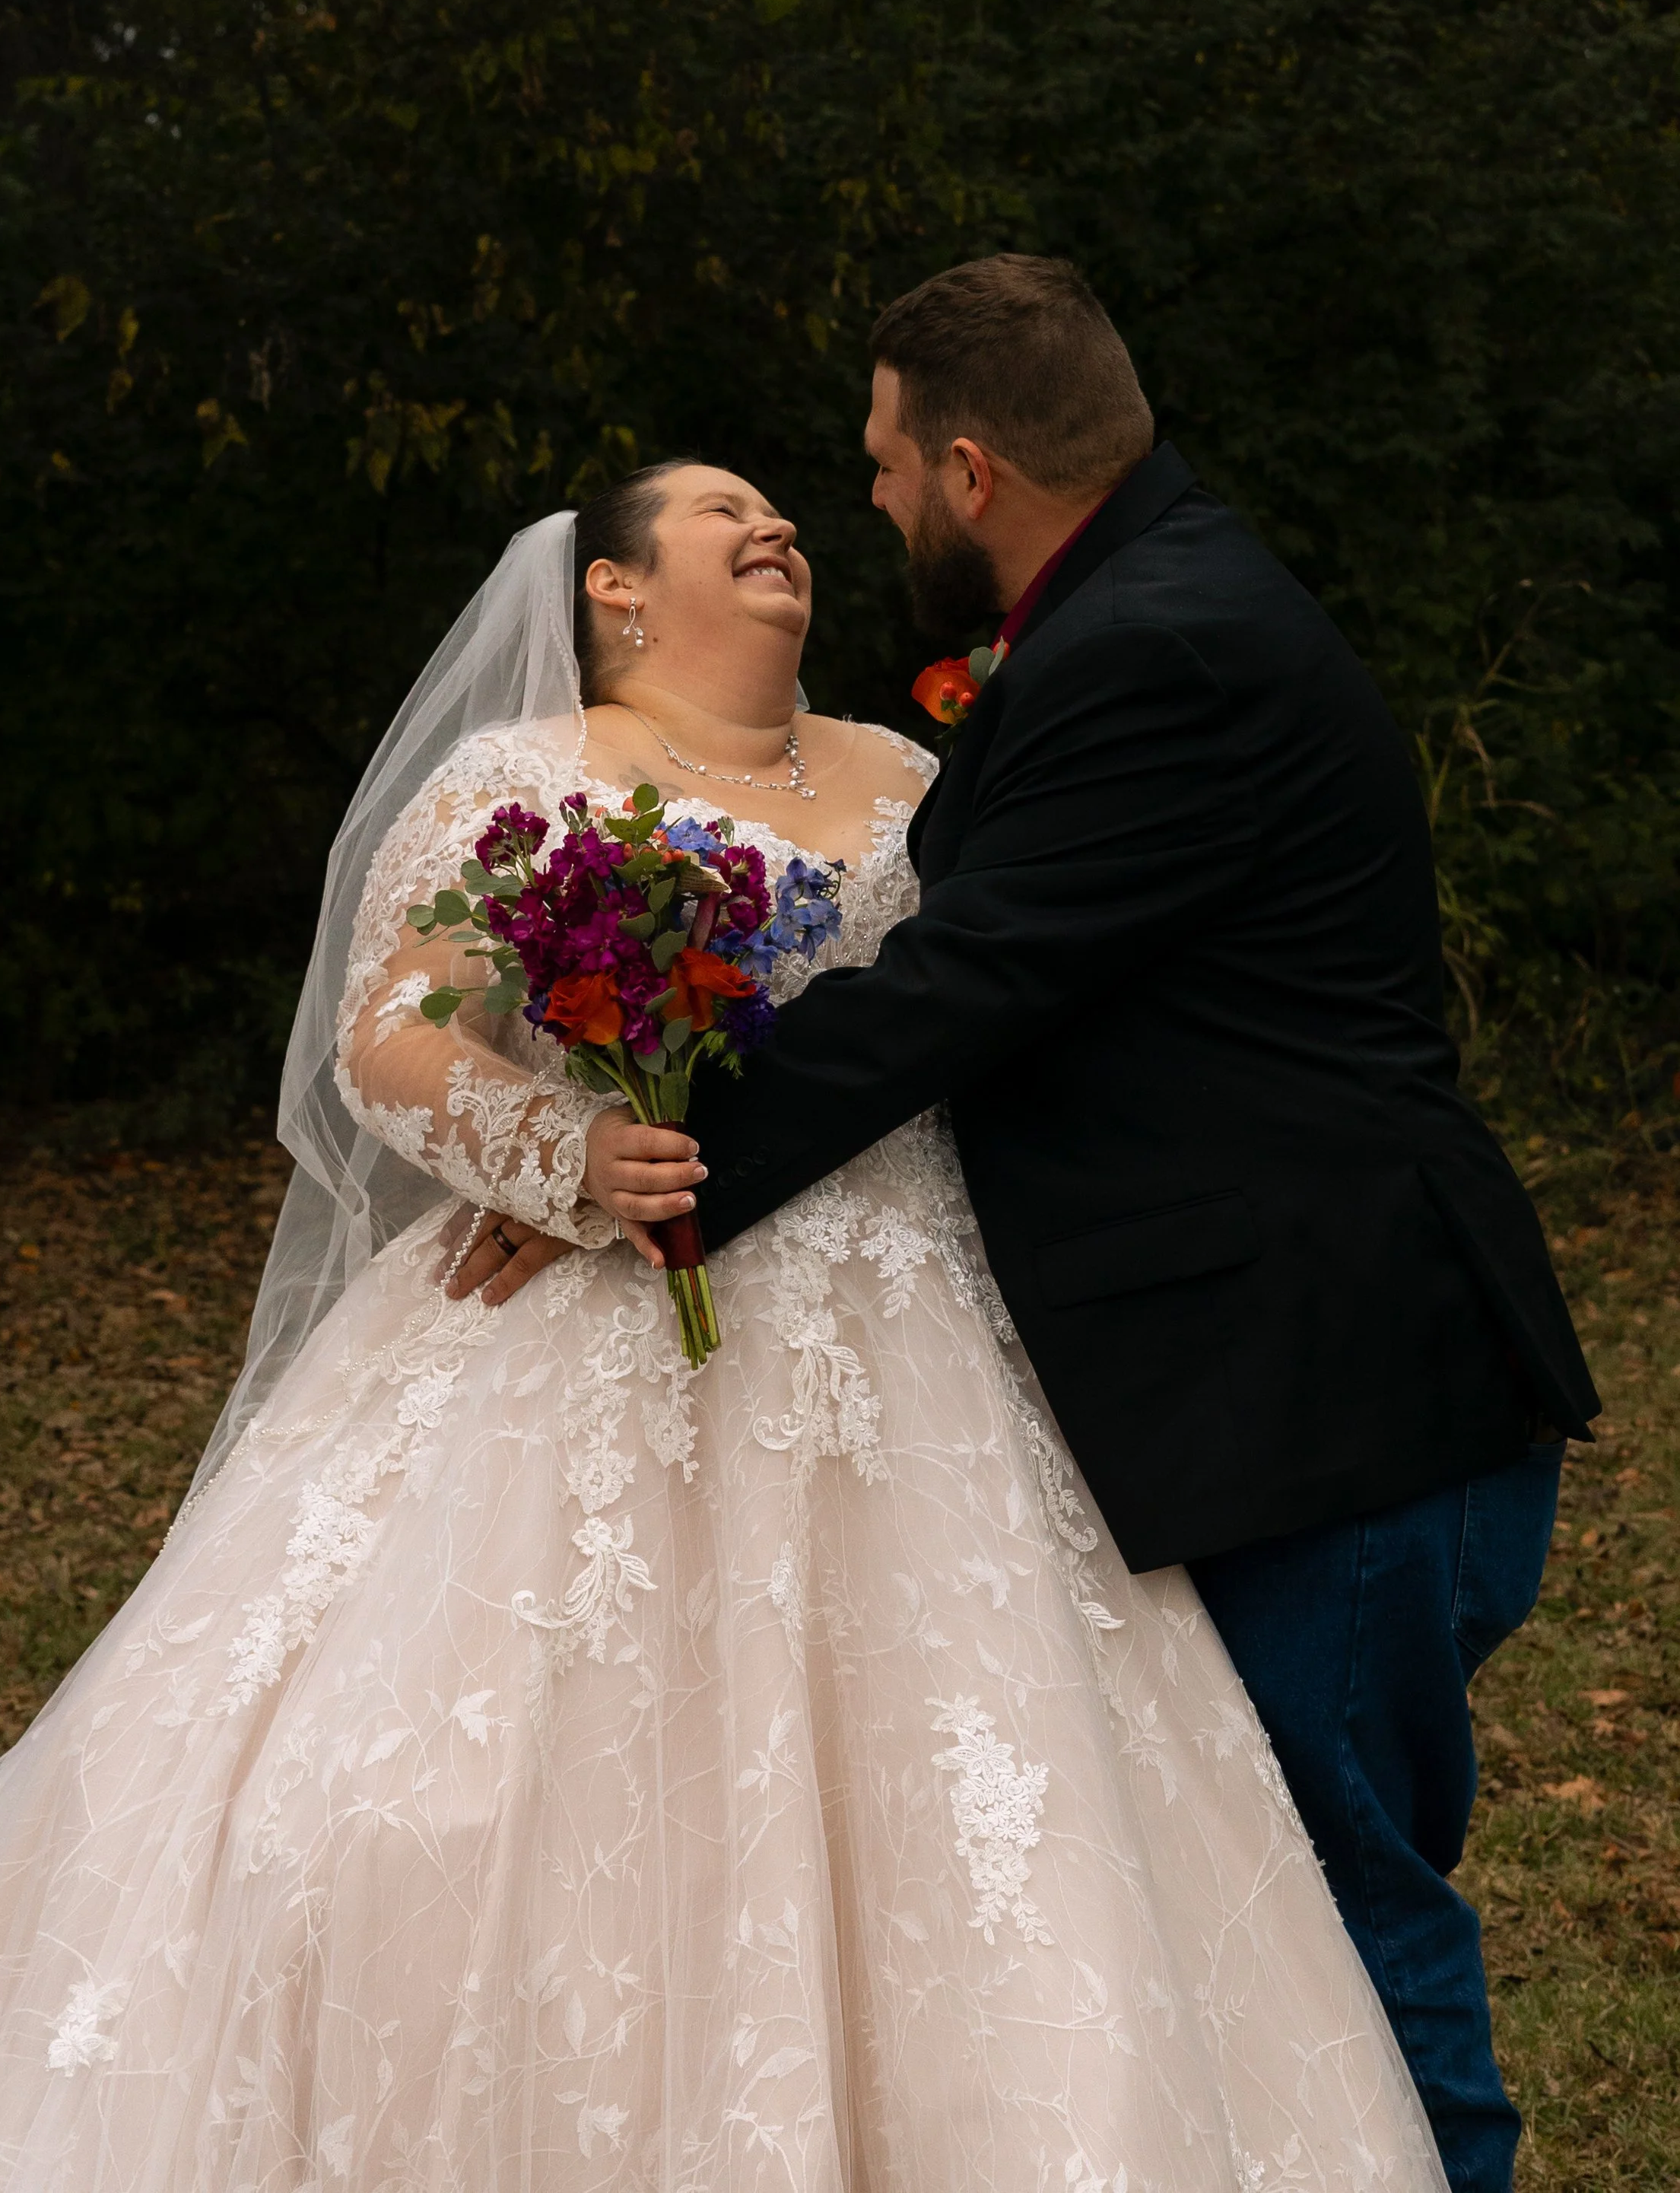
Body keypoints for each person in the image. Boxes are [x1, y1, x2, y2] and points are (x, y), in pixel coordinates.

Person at [0, 458, 1450, 2188]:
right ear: (611, 585)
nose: (781, 530)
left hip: (922, 1327)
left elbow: (997, 1009)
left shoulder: (913, 775)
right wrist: (565, 1152)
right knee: (418, 1810)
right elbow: (394, 1031)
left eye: (794, 517)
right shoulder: (525, 778)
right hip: (588, 1303)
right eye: (722, 511)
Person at [472, 258, 1599, 2193]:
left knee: (1334, 1908)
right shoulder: (1159, 602)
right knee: (1287, 1900)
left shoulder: (1154, 647)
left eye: (888, 464)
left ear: (975, 467)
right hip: (1302, 1378)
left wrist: (650, 1172)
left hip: (1333, 1398)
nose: (875, 504)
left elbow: (960, 986)